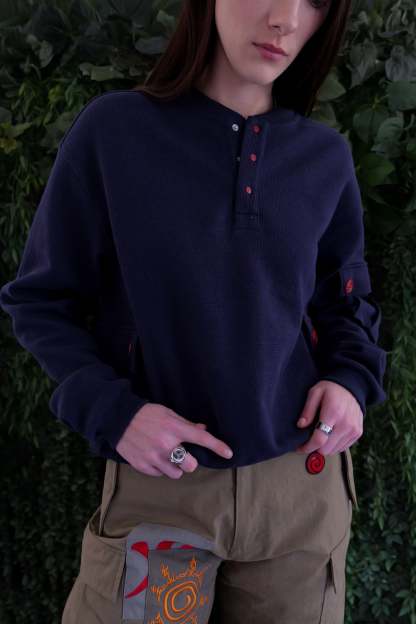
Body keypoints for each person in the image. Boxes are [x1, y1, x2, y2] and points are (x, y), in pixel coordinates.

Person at [0, 0, 388, 622]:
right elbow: (42, 299)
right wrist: (114, 412)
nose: (287, 18)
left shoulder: (325, 157)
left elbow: (344, 302)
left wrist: (350, 381)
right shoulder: (115, 131)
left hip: (301, 494)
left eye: (314, 1)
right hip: (163, 491)